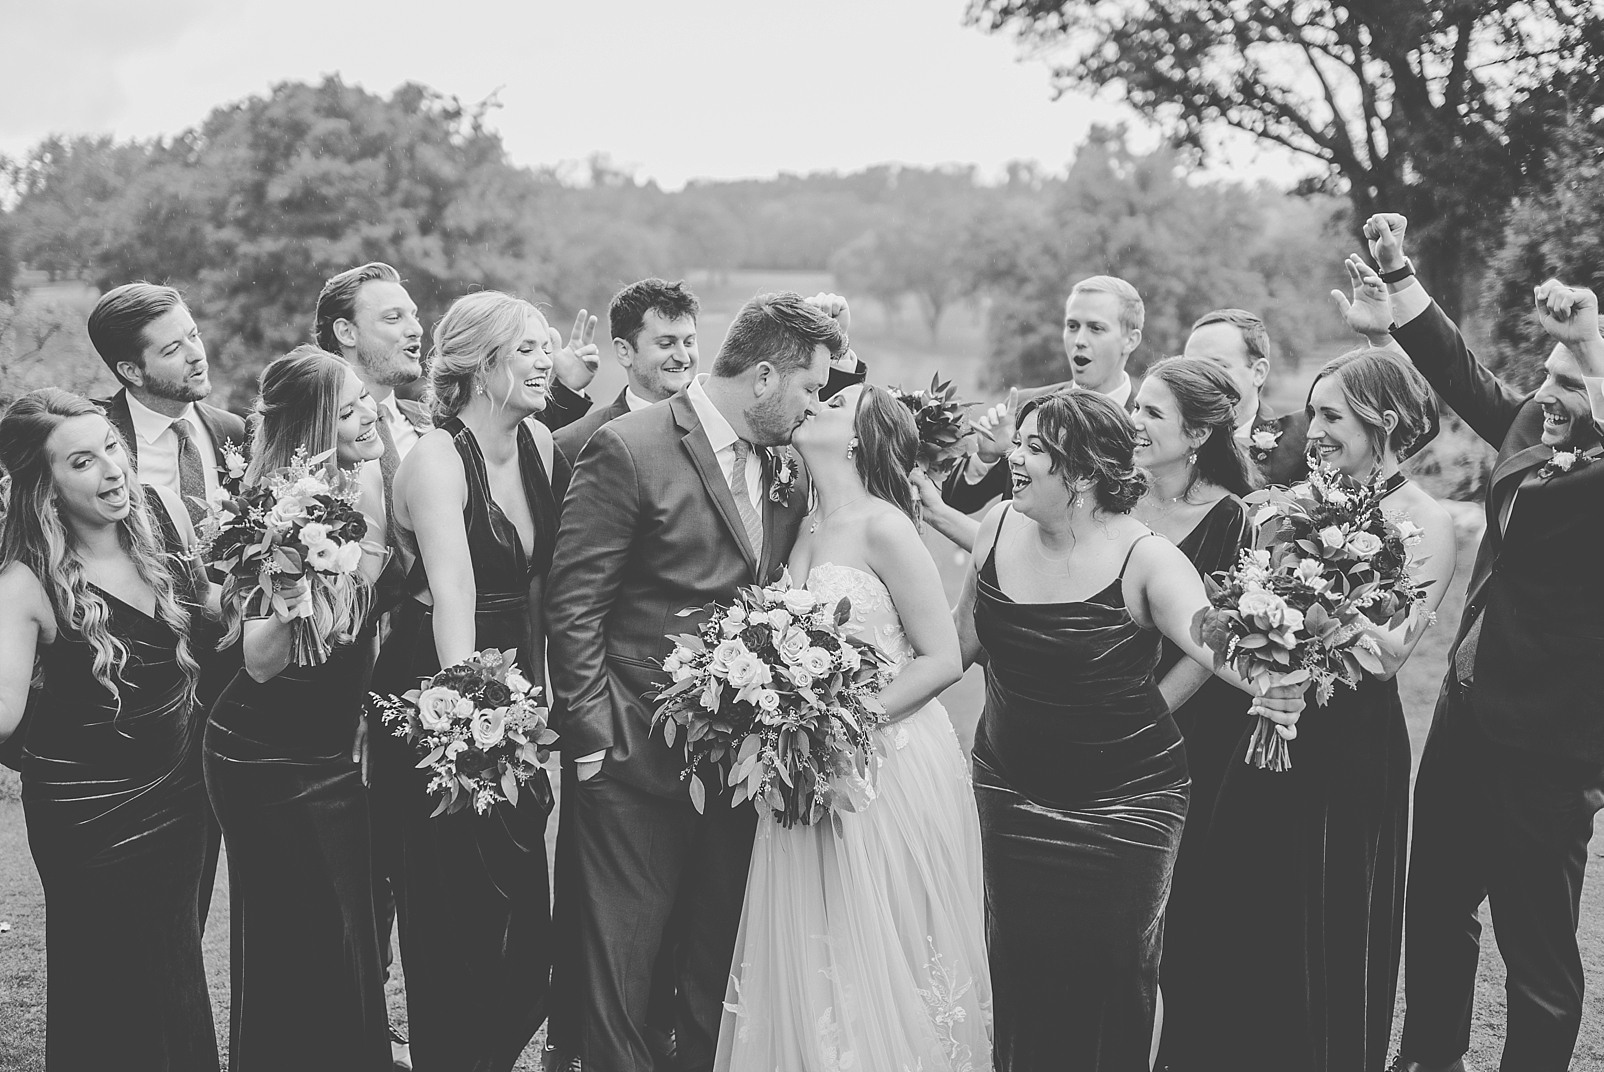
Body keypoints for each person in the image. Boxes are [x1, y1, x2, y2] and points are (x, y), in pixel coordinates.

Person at [952, 388, 1305, 1072]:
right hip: (1010, 788)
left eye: (1033, 448)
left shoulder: (1146, 559)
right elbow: (958, 642)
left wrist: (1275, 686)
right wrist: (853, 685)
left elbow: (1216, 645)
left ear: (1084, 473)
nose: (1015, 458)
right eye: (1018, 443)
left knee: (1111, 972)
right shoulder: (995, 525)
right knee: (1018, 965)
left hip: (1125, 802)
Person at [546, 292, 840, 1072]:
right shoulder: (628, 447)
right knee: (623, 969)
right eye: (810, 388)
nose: (815, 407)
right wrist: (592, 743)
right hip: (631, 756)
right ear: (765, 377)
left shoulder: (785, 465)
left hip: (738, 765)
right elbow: (575, 606)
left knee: (716, 965)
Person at [1353, 216, 1604, 1072]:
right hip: (1466, 713)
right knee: (1436, 901)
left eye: (1570, 382)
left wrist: (1592, 344)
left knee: (1536, 946)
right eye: (1547, 376)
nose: (1548, 393)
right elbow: (1464, 375)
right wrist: (1401, 280)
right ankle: (1431, 1055)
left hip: (1551, 744)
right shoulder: (1536, 424)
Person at [1196, 320, 1456, 1071]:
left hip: (1352, 744)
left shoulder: (1426, 521)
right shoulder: (1288, 505)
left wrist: (1318, 603)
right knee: (1249, 901)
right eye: (1312, 413)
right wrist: (1260, 610)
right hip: (1268, 721)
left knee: (1336, 913)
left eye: (1332, 416)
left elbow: (1389, 654)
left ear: (1385, 423)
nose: (1312, 432)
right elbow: (1248, 601)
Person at [715, 384, 992, 1071]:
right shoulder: (803, 525)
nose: (813, 403)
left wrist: (844, 724)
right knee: (817, 935)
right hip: (806, 762)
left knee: (882, 933)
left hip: (884, 759)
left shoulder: (884, 526)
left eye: (835, 403)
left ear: (860, 439)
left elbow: (942, 658)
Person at [373, 290, 568, 1071]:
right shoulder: (436, 459)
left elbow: (540, 585)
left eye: (547, 346)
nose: (547, 361)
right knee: (456, 906)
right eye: (528, 349)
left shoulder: (541, 443)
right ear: (481, 367)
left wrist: (541, 694)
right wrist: (466, 728)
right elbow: (453, 590)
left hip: (514, 686)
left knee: (522, 911)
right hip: (440, 691)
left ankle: (489, 1046)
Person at [0, 388, 220, 1071]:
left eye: (112, 448)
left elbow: (219, 617)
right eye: (82, 461)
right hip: (86, 814)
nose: (113, 469)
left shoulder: (163, 520)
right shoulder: (24, 582)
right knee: (108, 979)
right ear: (45, 487)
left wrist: (292, 572)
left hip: (179, 794)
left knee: (174, 967)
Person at [202, 347, 392, 1070]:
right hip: (263, 754)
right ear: (313, 427)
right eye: (347, 411)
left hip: (332, 745)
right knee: (298, 932)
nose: (368, 414)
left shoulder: (367, 484)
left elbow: (372, 612)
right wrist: (292, 582)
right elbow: (258, 660)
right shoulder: (269, 513)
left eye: (365, 398)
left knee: (348, 929)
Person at [1125, 358, 1255, 1069]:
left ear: (1199, 433)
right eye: (1136, 407)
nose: (1134, 423)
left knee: (1172, 900)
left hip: (1179, 729)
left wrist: (1146, 719)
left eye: (1152, 413)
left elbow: (1211, 649)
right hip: (1097, 706)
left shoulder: (1231, 518)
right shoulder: (1114, 493)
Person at [943, 275, 1145, 515]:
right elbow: (956, 502)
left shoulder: (1146, 425)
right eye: (1072, 326)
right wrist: (985, 458)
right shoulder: (1024, 409)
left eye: (1096, 328)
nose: (1079, 340)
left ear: (1130, 340)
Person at [1181, 308, 1312, 486]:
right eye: (1189, 369)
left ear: (1259, 372)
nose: (1198, 379)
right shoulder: (1169, 440)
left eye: (1216, 367)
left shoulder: (1300, 439)